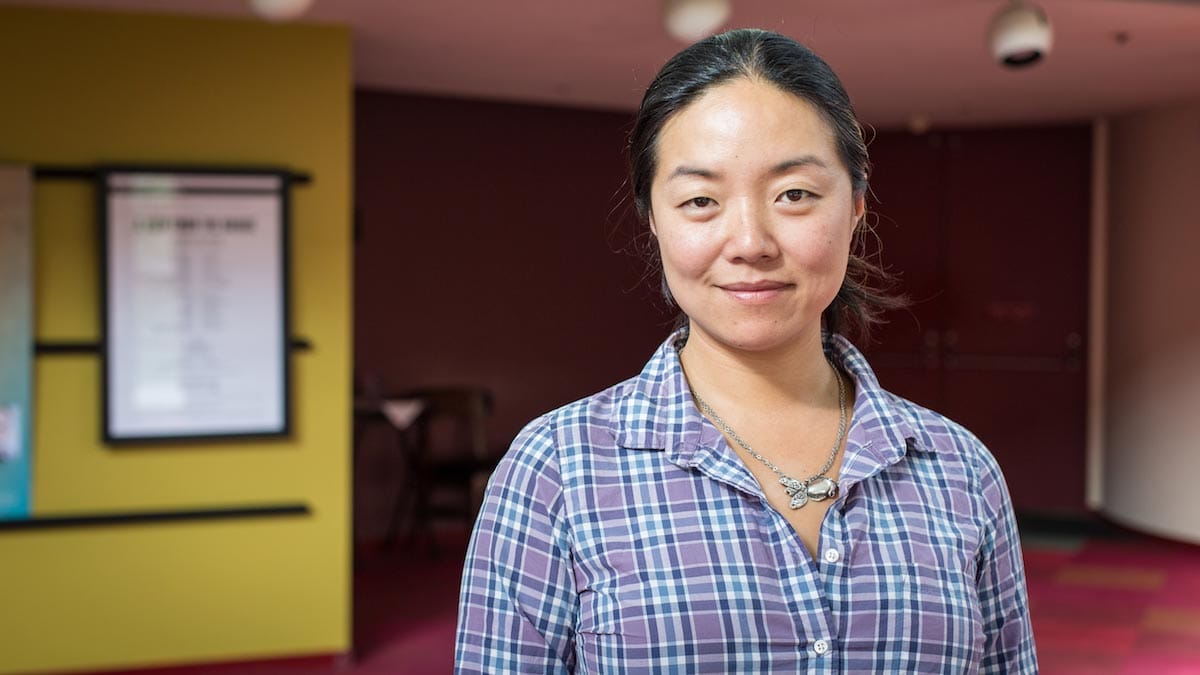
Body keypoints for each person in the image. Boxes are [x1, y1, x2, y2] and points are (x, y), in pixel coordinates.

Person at [455, 28, 1036, 673]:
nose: (751, 241)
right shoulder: (556, 473)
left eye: (795, 194)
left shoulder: (960, 471)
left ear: (857, 208)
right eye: (701, 200)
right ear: (654, 219)